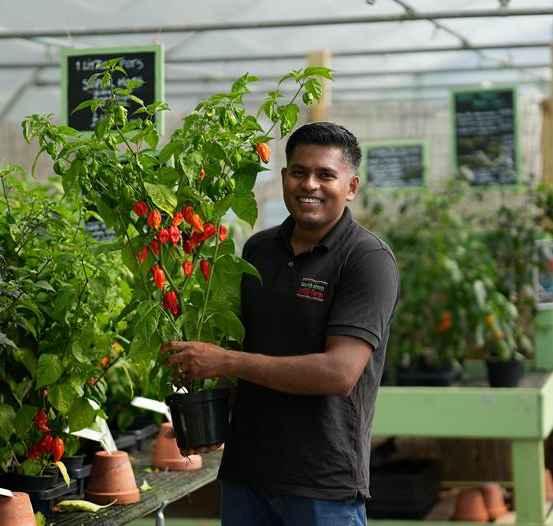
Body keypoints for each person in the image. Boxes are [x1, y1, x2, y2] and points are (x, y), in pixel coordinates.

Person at [162, 122, 400, 526]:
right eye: (299, 172)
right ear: (284, 176)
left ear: (352, 186)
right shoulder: (258, 249)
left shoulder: (366, 259)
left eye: (326, 175)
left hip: (321, 485)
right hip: (246, 476)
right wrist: (208, 407)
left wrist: (226, 362)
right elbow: (248, 338)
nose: (310, 185)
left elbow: (339, 373)